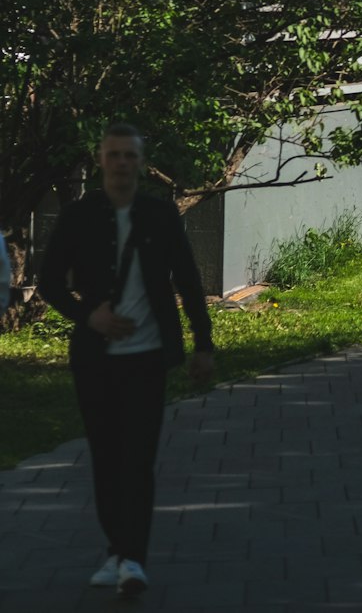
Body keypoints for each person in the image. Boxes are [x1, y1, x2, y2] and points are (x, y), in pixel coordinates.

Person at [39, 123, 213, 599]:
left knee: (137, 459)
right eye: (113, 155)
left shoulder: (159, 215)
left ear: (140, 163)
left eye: (129, 156)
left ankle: (132, 558)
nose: (120, 164)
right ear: (101, 160)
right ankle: (118, 549)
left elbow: (189, 280)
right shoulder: (79, 216)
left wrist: (204, 343)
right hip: (95, 361)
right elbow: (49, 280)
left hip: (147, 358)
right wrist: (86, 314)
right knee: (105, 458)